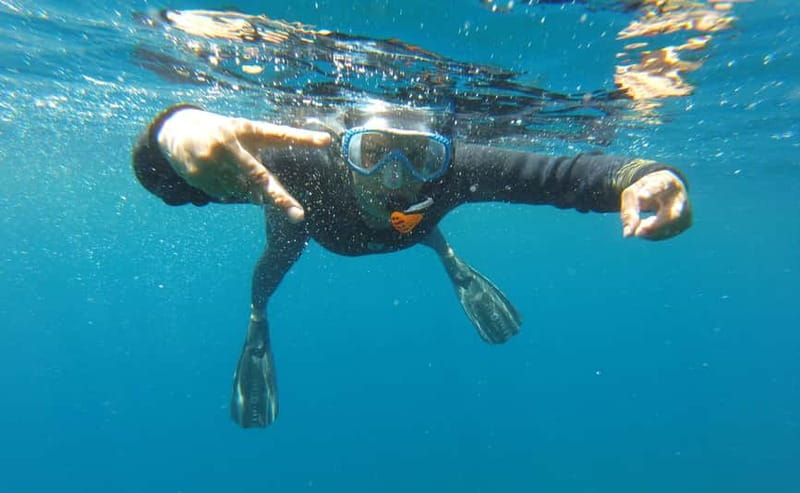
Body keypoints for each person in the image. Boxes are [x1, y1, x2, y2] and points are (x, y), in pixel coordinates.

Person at [132, 100, 691, 428]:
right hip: (318, 230)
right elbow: (178, 181)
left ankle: (446, 255)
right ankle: (258, 319)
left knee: (416, 224)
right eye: (372, 154)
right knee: (280, 251)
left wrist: (641, 175)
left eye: (419, 156)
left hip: (413, 233)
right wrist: (175, 132)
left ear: (442, 154)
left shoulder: (455, 171)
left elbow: (559, 176)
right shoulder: (299, 168)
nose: (396, 178)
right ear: (340, 150)